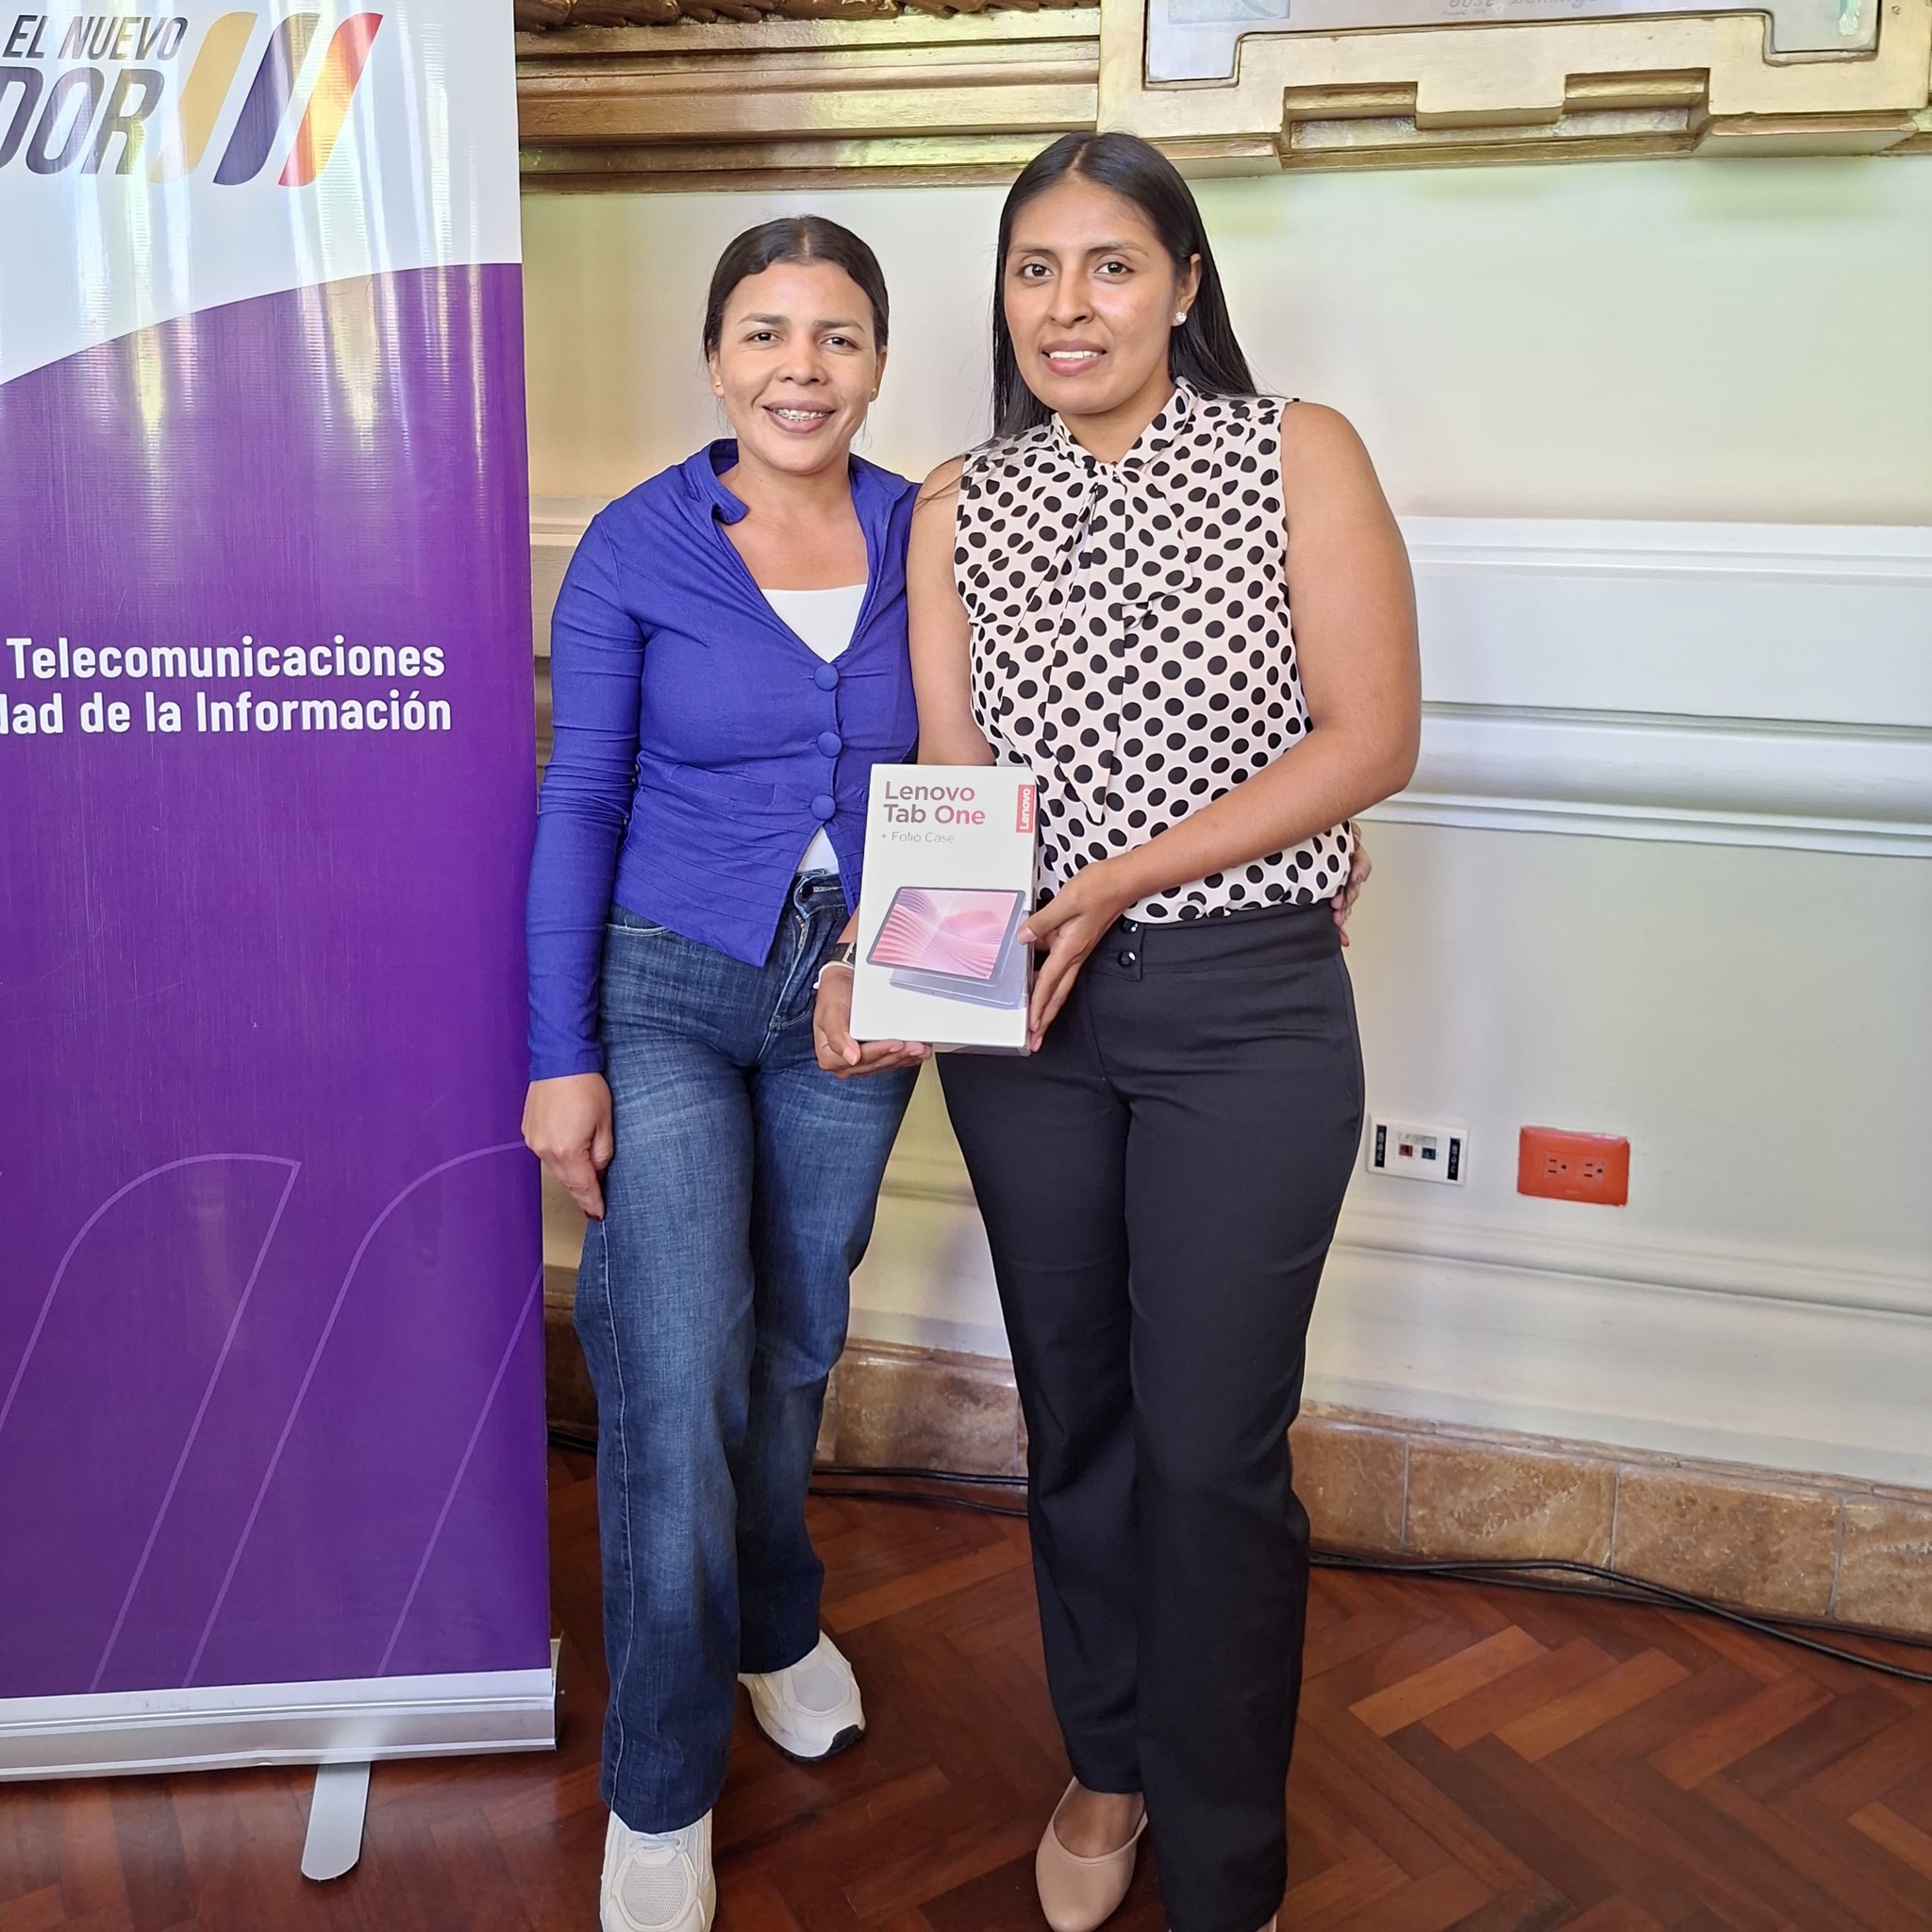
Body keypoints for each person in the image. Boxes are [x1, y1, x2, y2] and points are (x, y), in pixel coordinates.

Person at [816, 132, 1420, 1932]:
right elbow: (953, 776)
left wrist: (1118, 880)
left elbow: (1369, 738)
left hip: (1248, 1010)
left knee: (1212, 1446)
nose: (1067, 305)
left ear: (1185, 284)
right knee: (1076, 1415)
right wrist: (887, 964)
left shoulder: (1297, 450)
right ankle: (1110, 1761)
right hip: (1031, 1026)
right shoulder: (954, 503)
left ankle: (1228, 1857)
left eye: (1110, 265)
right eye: (1034, 269)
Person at [522, 215, 931, 1932]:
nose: (799, 370)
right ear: (714, 360)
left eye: (837, 336)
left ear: (879, 364)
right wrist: (559, 1056)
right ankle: (662, 1781)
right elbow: (580, 799)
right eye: (764, 333)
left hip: (857, 1000)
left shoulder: (934, 529)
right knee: (675, 1357)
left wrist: (902, 963)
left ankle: (774, 1619)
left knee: (794, 1335)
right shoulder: (636, 545)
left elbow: (1010, 757)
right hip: (668, 986)